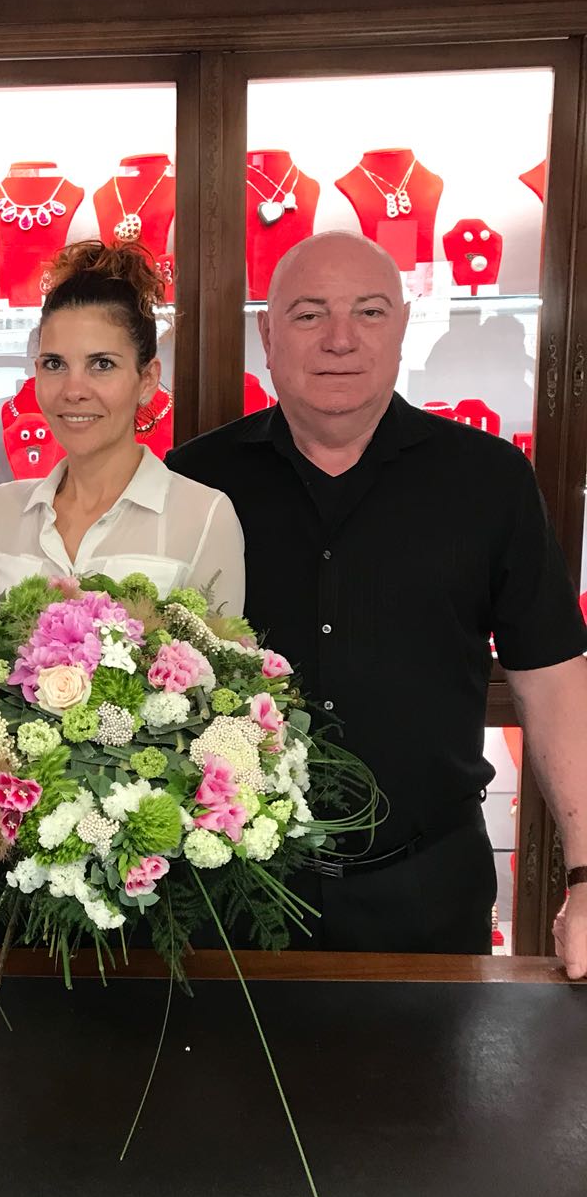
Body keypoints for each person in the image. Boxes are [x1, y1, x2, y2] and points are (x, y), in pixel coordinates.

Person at [168, 230, 587, 971]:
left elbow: (551, 676)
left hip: (430, 890)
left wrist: (586, 875)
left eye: (368, 312)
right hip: (232, 889)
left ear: (402, 327)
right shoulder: (193, 482)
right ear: (267, 337)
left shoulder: (489, 480)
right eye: (308, 315)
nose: (340, 339)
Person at [0, 241, 244, 611]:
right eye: (55, 364)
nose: (73, 390)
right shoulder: (3, 510)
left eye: (102, 364)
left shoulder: (204, 516)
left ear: (147, 380)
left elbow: (224, 647)